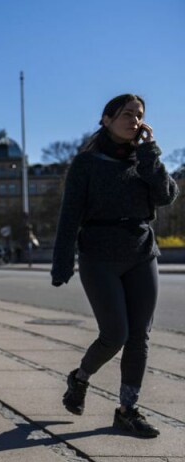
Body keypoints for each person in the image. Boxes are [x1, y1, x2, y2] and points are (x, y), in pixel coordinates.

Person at [52, 94, 179, 438]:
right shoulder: (86, 163)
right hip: (98, 255)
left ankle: (127, 410)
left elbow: (167, 195)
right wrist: (62, 261)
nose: (133, 120)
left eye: (139, 115)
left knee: (140, 336)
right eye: (126, 114)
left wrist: (151, 154)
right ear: (106, 119)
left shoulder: (145, 160)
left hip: (141, 252)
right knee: (115, 334)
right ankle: (80, 378)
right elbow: (70, 216)